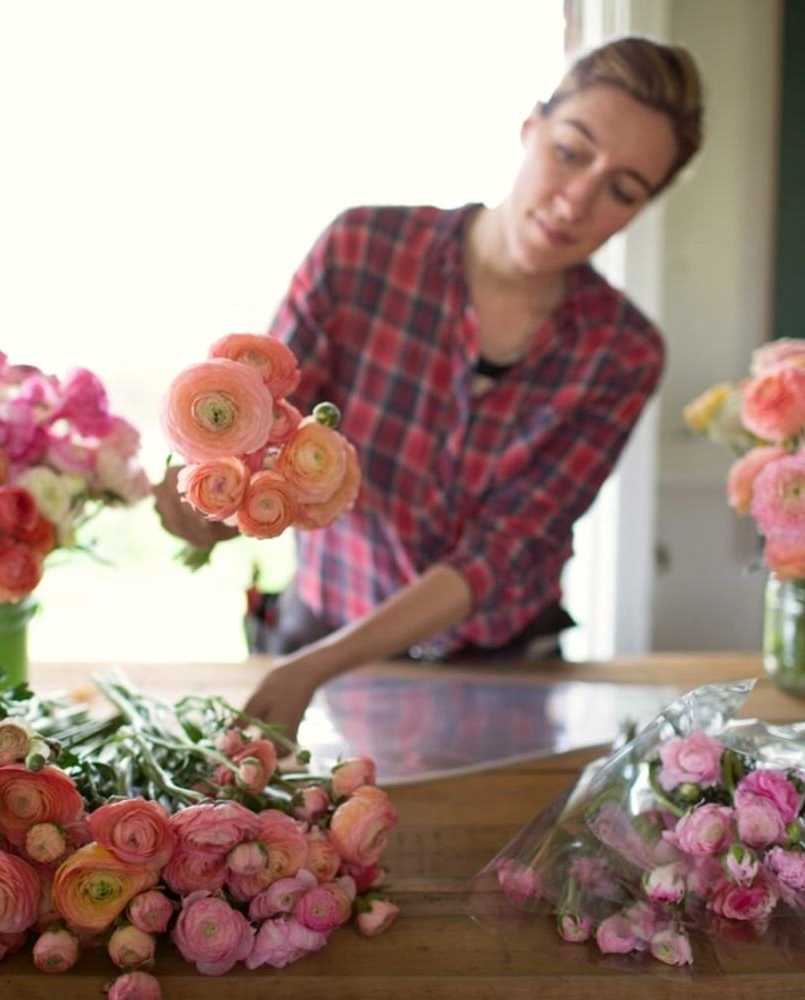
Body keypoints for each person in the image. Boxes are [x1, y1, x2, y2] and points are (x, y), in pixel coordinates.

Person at [154, 36, 704, 746]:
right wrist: (203, 500)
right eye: (570, 152)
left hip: (500, 671)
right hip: (318, 627)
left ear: (643, 208)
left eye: (623, 189)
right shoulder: (362, 252)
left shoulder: (622, 352)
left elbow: (505, 548)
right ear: (531, 128)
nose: (577, 200)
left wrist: (316, 668)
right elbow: (263, 425)